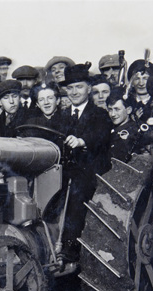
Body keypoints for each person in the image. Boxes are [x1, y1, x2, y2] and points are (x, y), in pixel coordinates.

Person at [57, 64, 113, 265]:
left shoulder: (100, 114)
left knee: (77, 196)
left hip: (89, 174)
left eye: (78, 87)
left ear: (89, 88)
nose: (73, 92)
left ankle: (70, 252)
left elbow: (100, 135)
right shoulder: (61, 115)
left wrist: (82, 141)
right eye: (70, 88)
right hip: (64, 172)